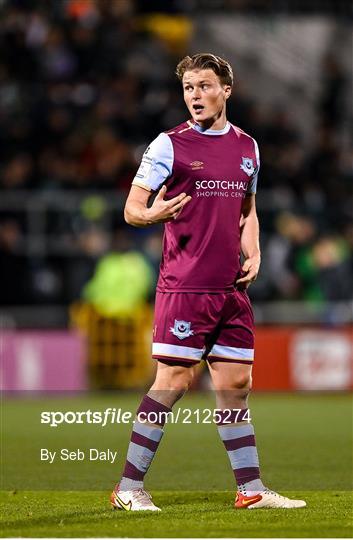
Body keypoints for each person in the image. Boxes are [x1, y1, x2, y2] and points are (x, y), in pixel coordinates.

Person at [111, 53, 306, 511]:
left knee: (236, 384)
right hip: (186, 286)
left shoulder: (248, 147)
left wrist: (254, 252)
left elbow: (248, 211)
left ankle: (251, 489)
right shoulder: (168, 146)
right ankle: (128, 489)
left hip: (231, 290)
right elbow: (132, 208)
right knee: (173, 381)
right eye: (188, 89)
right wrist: (151, 215)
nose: (195, 96)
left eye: (203, 87)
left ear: (226, 90)